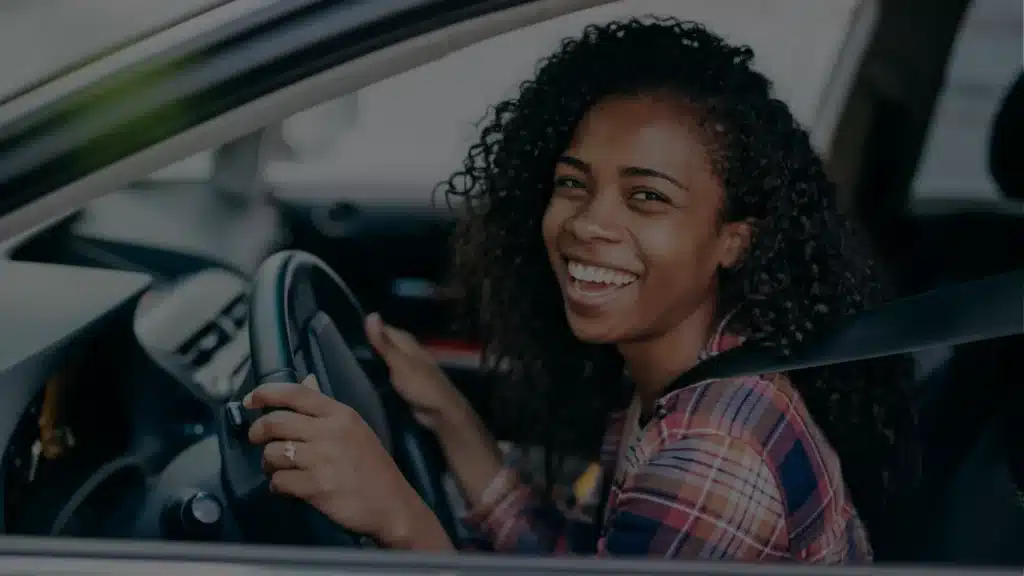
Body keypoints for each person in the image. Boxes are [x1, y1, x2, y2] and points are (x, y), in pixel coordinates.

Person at [242, 18, 918, 562]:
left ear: (734, 239)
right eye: (572, 183)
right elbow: (583, 558)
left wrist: (398, 515)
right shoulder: (682, 373)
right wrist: (454, 421)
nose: (589, 223)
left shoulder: (713, 458)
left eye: (647, 197)